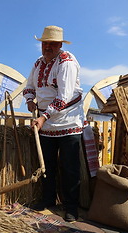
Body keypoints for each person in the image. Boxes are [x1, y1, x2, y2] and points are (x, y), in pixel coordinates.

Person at [23, 25, 84, 222]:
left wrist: (42, 117)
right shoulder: (38, 64)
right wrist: (30, 100)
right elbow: (29, 86)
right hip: (47, 124)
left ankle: (71, 207)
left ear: (59, 45)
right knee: (46, 165)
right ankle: (48, 200)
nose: (47, 47)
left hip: (68, 122)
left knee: (69, 167)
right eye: (45, 43)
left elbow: (64, 97)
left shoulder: (67, 62)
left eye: (52, 44)